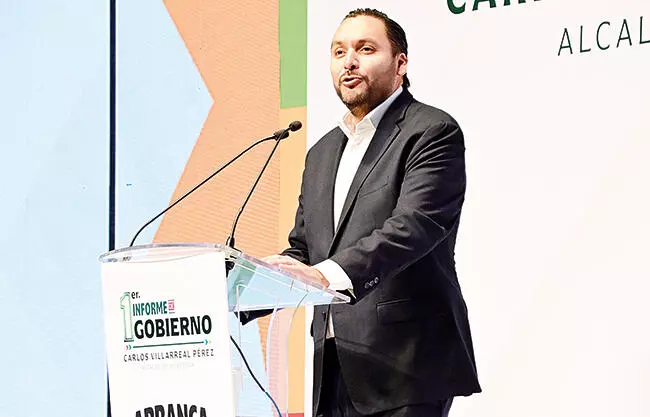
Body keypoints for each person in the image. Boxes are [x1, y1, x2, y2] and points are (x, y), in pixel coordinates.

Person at [263, 8, 481, 417]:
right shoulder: (321, 153)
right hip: (333, 364)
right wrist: (253, 280)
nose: (349, 62)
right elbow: (305, 248)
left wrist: (324, 275)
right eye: (338, 51)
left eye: (365, 49)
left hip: (406, 363)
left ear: (401, 63)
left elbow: (414, 226)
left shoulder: (431, 131)